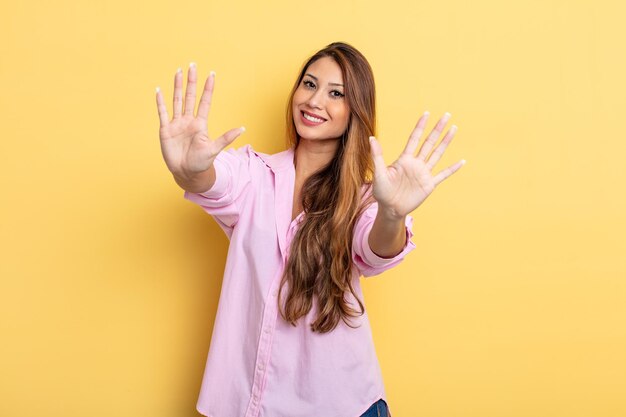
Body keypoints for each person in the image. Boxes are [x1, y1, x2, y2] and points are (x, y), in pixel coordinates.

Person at [155, 42, 464, 417]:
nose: (315, 100)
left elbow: (377, 249)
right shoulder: (255, 174)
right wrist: (187, 169)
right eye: (309, 84)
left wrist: (392, 213)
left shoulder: (366, 197)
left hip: (342, 405)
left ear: (355, 112)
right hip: (247, 405)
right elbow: (212, 181)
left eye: (336, 93)